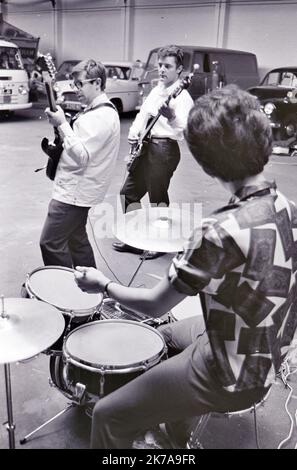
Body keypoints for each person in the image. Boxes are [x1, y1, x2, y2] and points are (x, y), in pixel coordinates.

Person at [74, 85, 297, 449]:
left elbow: (153, 304)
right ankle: (174, 429)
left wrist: (102, 284)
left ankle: (158, 422)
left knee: (108, 415)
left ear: (207, 164)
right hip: (269, 351)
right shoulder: (288, 206)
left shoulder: (218, 231)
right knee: (165, 337)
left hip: (231, 374)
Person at [112, 45, 193, 260]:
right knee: (128, 193)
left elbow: (185, 131)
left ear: (179, 70)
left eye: (168, 66)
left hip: (165, 149)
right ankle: (136, 239)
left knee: (157, 197)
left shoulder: (182, 97)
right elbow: (142, 115)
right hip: (146, 146)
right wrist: (134, 132)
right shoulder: (156, 91)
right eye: (160, 65)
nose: (163, 70)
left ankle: (159, 243)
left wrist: (172, 116)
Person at [40, 59, 120, 268]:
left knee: (50, 243)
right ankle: (91, 289)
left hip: (74, 193)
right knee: (77, 241)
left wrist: (63, 124)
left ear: (97, 83)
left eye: (80, 84)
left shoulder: (101, 115)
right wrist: (62, 125)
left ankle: (67, 294)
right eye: (74, 84)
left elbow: (82, 156)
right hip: (78, 190)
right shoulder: (95, 110)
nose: (76, 89)